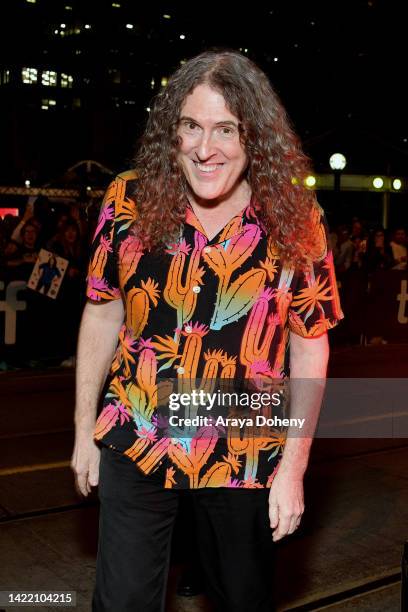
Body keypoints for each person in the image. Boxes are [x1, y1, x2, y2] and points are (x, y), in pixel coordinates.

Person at [71, 50, 344, 612]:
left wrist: (293, 469)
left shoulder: (295, 217)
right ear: (172, 130)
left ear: (255, 137)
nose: (204, 148)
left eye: (225, 130)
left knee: (242, 600)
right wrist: (82, 432)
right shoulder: (128, 198)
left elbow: (310, 344)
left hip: (241, 449)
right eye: (191, 126)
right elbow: (102, 311)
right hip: (136, 433)